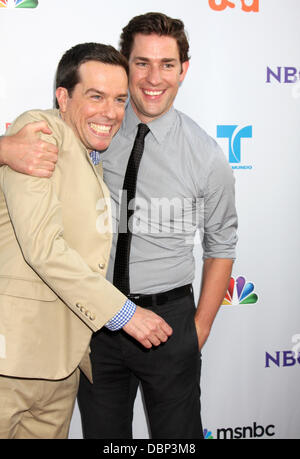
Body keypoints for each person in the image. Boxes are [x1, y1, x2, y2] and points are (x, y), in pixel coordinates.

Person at [0, 12, 238, 439]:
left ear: (184, 70)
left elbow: (222, 242)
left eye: (167, 64)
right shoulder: (92, 128)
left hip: (168, 320)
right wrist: (4, 146)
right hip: (95, 322)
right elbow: (42, 151)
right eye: (141, 63)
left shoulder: (205, 154)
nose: (153, 77)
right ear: (127, 67)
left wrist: (197, 331)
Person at [0, 41, 172, 440]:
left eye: (118, 99)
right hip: (11, 362)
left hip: (60, 364)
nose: (110, 113)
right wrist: (126, 314)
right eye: (96, 97)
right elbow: (43, 248)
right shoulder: (41, 132)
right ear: (63, 97)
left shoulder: (88, 152)